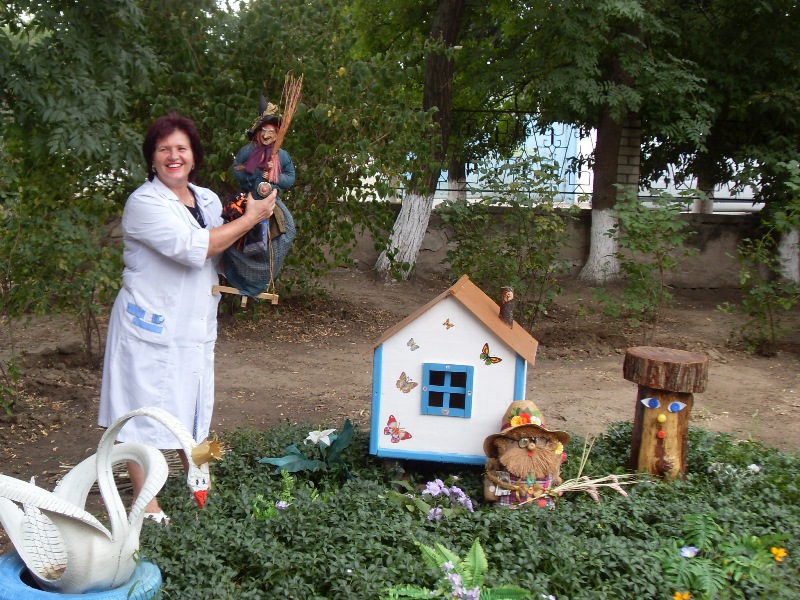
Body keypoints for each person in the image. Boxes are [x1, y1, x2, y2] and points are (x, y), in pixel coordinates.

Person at [98, 111, 276, 523]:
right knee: (139, 419)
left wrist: (256, 213)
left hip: (195, 328)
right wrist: (250, 218)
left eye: (182, 148)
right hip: (148, 331)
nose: (173, 156)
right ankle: (147, 508)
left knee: (197, 412)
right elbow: (194, 247)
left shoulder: (208, 199)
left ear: (194, 155)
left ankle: (203, 487)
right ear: (152, 158)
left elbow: (227, 244)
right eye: (164, 149)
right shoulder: (144, 203)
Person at [222, 97, 296, 293]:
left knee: (288, 230)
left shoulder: (282, 156)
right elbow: (237, 171)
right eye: (263, 130)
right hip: (248, 200)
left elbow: (290, 178)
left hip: (271, 201)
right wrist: (255, 172)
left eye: (271, 132)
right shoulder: (247, 151)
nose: (266, 135)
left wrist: (274, 176)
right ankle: (239, 274)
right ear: (257, 132)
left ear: (277, 134)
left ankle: (263, 277)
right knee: (235, 235)